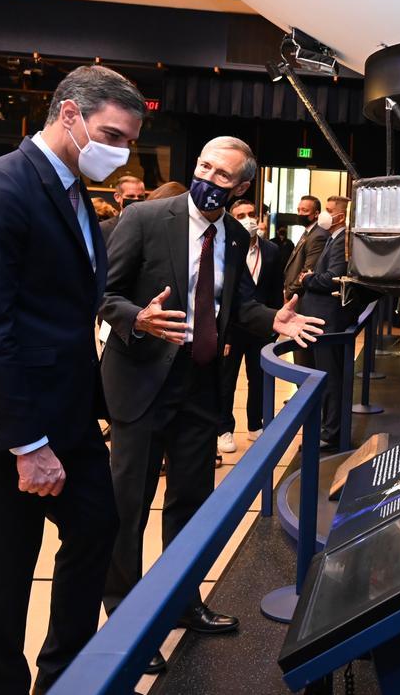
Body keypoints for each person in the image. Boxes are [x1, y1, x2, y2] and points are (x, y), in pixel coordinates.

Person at [0, 65, 140, 694]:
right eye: (111, 133)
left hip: (69, 418)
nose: (120, 151)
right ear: (67, 114)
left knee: (97, 528)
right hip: (11, 426)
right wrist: (28, 446)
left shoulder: (75, 191)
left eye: (130, 140)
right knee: (6, 571)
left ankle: (64, 676)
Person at [100, 136, 323, 675]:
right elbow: (102, 292)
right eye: (203, 166)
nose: (208, 178)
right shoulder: (146, 219)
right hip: (141, 383)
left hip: (200, 388)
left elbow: (239, 305)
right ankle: (129, 621)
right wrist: (137, 318)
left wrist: (273, 318)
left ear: (242, 186)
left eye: (222, 175)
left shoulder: (233, 234)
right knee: (128, 508)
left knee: (190, 503)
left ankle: (181, 601)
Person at [217, 198, 285, 454]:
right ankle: (224, 429)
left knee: (259, 378)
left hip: (263, 327)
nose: (248, 219)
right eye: (240, 214)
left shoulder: (271, 250)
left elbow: (276, 288)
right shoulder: (225, 248)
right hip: (232, 329)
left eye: (251, 213)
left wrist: (276, 322)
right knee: (227, 380)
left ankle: (255, 424)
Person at [301, 195, 352, 448]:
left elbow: (333, 278)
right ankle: (326, 428)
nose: (325, 214)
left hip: (327, 320)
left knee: (330, 378)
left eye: (329, 210)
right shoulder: (333, 238)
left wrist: (308, 278)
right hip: (320, 317)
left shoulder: (342, 238)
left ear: (340, 217)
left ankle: (330, 433)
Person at [282, 195, 328, 300]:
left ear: (316, 214)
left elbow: (307, 271)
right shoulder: (308, 232)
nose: (300, 214)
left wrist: (289, 293)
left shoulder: (318, 235)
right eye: (298, 210)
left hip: (300, 296)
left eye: (304, 210)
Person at [99, 174, 145, 243]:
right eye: (131, 196)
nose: (136, 199)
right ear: (117, 197)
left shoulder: (152, 226)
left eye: (140, 197)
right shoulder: (103, 228)